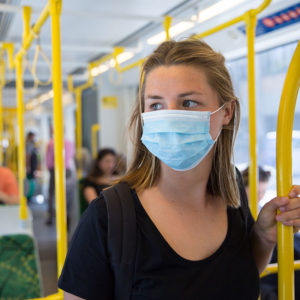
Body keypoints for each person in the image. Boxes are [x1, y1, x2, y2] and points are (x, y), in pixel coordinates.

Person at [58, 39, 300, 300]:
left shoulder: (232, 190)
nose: (170, 117)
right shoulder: (107, 218)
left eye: (188, 103)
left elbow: (238, 277)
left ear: (227, 111)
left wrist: (263, 237)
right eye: (156, 105)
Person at [242, 166, 300, 300]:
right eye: (256, 192)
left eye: (262, 192)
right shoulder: (239, 213)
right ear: (242, 188)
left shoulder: (262, 208)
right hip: (269, 261)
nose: (259, 196)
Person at [46, 134, 75, 225]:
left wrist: (50, 168)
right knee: (67, 194)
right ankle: (66, 216)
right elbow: (71, 156)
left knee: (52, 194)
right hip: (67, 170)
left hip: (55, 170)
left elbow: (49, 159)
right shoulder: (69, 143)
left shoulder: (51, 143)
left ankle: (51, 217)